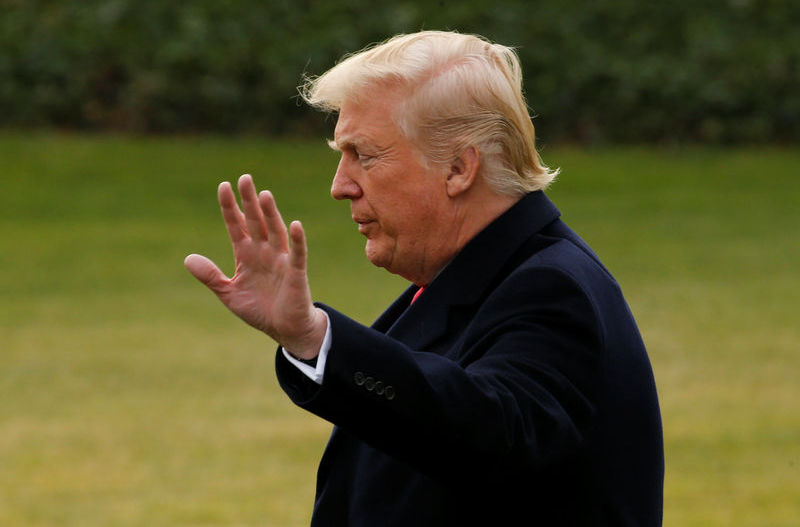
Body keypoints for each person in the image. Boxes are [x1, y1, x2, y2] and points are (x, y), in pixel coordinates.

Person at [185, 31, 664, 526]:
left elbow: (490, 432)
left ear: (459, 168)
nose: (339, 186)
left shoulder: (550, 288)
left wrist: (314, 337)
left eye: (364, 156)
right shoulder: (469, 280)